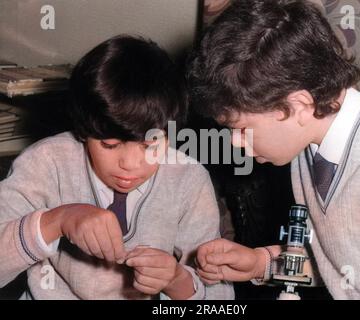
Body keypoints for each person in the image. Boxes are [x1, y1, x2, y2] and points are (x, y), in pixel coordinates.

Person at [188, 0, 360, 299]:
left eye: (240, 129)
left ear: (298, 105)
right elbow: (341, 267)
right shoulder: (306, 152)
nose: (234, 142)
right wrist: (260, 263)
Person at [0, 35, 234, 300]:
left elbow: (222, 299)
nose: (130, 164)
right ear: (83, 130)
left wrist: (177, 281)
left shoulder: (188, 179)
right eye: (110, 145)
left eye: (151, 146)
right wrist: (56, 221)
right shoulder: (46, 162)